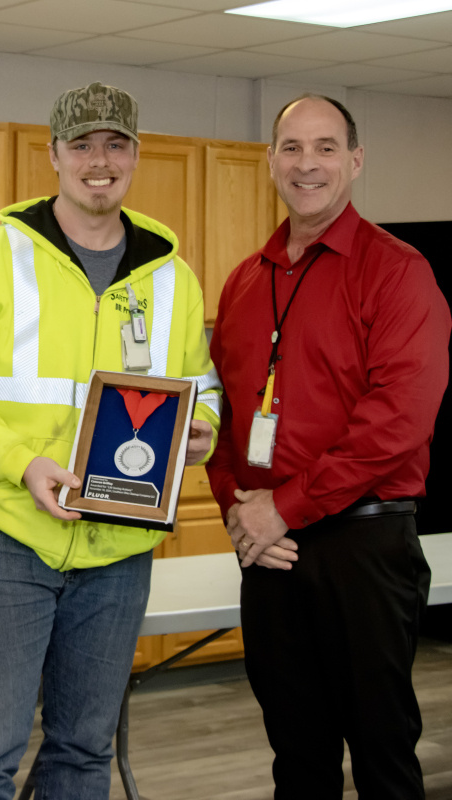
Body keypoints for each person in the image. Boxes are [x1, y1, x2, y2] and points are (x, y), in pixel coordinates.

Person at [0, 81, 221, 799]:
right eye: (82, 145)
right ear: (53, 155)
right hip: (7, 542)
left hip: (119, 549)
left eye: (115, 144)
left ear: (136, 155)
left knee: (83, 751)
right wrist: (23, 466)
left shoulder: (170, 276)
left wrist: (203, 429)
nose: (99, 160)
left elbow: (201, 386)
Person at [206, 94, 451, 799]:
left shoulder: (398, 271)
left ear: (354, 161)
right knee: (297, 754)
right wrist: (239, 510)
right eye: (291, 147)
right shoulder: (246, 280)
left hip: (363, 545)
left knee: (382, 752)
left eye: (324, 147)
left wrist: (284, 507)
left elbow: (397, 421)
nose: (306, 163)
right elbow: (223, 411)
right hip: (272, 551)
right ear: (271, 161)